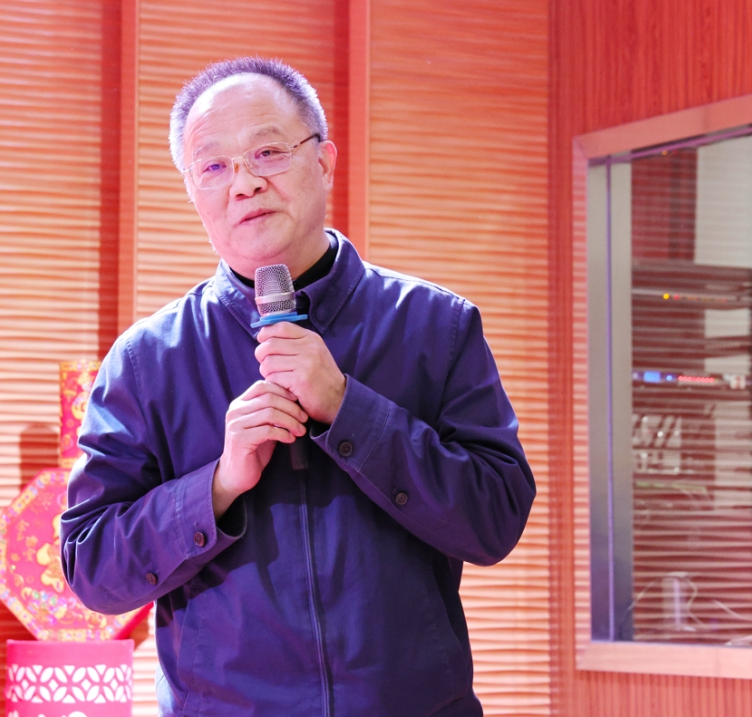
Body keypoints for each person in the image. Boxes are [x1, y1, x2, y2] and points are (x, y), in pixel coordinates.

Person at [60, 57, 536, 717]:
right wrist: (215, 487)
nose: (245, 183)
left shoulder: (437, 325)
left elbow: (495, 519)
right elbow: (91, 566)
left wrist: (349, 408)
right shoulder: (147, 360)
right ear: (193, 192)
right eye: (214, 166)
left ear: (324, 160)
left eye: (268, 152)